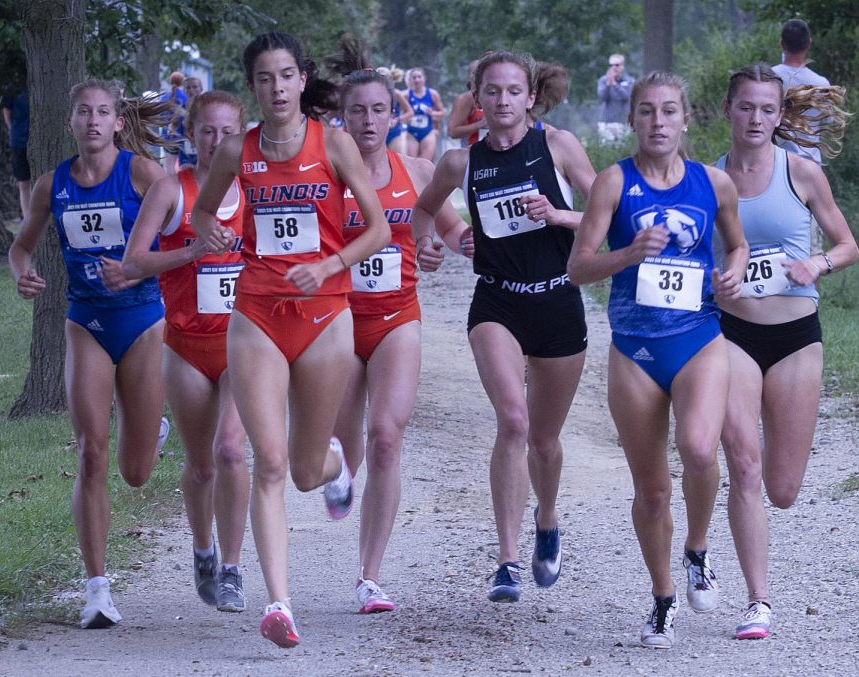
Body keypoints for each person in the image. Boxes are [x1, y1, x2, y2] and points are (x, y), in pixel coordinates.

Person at [191, 31, 390, 649]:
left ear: (302, 80)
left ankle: (333, 464)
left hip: (327, 314)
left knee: (304, 470)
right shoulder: (236, 151)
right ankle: (279, 603)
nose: (275, 88)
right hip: (256, 314)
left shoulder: (332, 143)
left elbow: (379, 229)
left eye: (285, 76)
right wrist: (211, 232)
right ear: (252, 87)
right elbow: (202, 212)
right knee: (269, 462)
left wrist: (329, 267)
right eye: (263, 79)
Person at [566, 72, 748, 649]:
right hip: (635, 347)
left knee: (699, 448)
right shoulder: (613, 183)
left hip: (697, 334)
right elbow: (578, 267)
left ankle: (697, 549)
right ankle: (663, 597)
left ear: (686, 119)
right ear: (632, 120)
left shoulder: (713, 183)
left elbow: (737, 244)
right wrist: (628, 253)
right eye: (647, 112)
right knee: (650, 492)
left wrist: (734, 272)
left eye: (670, 111)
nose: (659, 122)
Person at [412, 50, 596, 604]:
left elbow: (611, 212)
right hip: (497, 304)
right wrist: (434, 241)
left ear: (530, 97)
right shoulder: (457, 162)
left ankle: (548, 515)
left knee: (543, 439)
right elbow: (422, 214)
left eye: (513, 91)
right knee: (513, 422)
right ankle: (507, 560)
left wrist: (560, 216)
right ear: (477, 97)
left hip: (558, 301)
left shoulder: (557, 146)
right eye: (491, 92)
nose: (502, 101)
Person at [8, 79, 171, 629]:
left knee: (136, 471)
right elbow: (21, 244)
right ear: (71, 121)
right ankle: (97, 589)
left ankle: (153, 429)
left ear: (118, 122)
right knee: (90, 451)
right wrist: (22, 274)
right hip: (86, 321)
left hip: (144, 322)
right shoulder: (53, 183)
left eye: (104, 112)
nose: (94, 121)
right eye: (84, 112)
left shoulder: (142, 174)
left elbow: (175, 217)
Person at [325, 36, 473, 614]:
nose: (367, 120)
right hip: (335, 323)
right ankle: (335, 468)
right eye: (356, 110)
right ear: (343, 115)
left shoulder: (416, 169)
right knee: (342, 452)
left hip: (395, 318)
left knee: (386, 437)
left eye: (377, 110)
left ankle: (370, 577)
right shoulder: (327, 176)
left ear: (395, 114)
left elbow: (452, 230)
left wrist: (452, 245)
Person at [714, 64, 858, 641]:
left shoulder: (801, 173)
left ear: (780, 115)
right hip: (731, 334)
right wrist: (714, 279)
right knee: (743, 464)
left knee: (783, 488)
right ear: (727, 110)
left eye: (767, 109)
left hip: (796, 335)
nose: (756, 119)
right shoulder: (708, 178)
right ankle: (758, 601)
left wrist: (816, 263)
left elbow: (847, 245)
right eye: (746, 107)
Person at [121, 91, 251, 613]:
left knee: (231, 451)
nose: (218, 142)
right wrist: (192, 250)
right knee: (200, 466)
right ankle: (204, 550)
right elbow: (133, 263)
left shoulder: (256, 190)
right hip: (186, 346)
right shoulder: (173, 191)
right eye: (208, 132)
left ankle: (235, 569)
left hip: (244, 343)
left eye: (227, 133)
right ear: (192, 135)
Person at [773, 19, 830, 165]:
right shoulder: (822, 84)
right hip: (812, 166)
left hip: (778, 165)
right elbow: (827, 122)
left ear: (781, 44)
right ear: (809, 43)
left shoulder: (770, 78)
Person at [0, 86, 32, 219]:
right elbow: (7, 112)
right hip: (19, 142)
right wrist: (15, 131)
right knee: (24, 183)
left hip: (43, 141)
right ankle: (27, 221)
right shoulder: (12, 84)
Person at [404, 67, 445, 160]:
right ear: (410, 79)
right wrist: (406, 118)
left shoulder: (432, 94)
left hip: (427, 131)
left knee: (426, 162)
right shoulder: (406, 95)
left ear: (424, 78)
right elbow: (400, 114)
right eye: (414, 77)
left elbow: (442, 113)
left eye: (419, 77)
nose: (417, 80)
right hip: (411, 132)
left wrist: (432, 113)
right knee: (411, 162)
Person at [448, 60, 487, 146]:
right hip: (472, 152)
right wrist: (481, 124)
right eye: (476, 73)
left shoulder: (498, 97)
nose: (479, 77)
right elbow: (452, 132)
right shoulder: (466, 98)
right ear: (469, 78)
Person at [596, 53, 634, 143]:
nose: (614, 67)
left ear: (622, 66)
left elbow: (628, 97)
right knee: (606, 150)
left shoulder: (629, 81)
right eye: (611, 65)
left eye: (617, 65)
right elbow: (602, 97)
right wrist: (608, 85)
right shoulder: (603, 80)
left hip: (623, 123)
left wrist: (615, 85)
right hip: (606, 123)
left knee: (622, 150)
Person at [376, 66, 413, 154]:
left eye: (386, 77)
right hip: (377, 132)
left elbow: (410, 112)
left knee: (397, 159)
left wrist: (398, 119)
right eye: (380, 77)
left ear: (391, 79)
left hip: (394, 132)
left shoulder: (396, 93)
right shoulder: (372, 94)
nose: (383, 80)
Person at [161, 71, 189, 174]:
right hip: (184, 136)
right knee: (185, 165)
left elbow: (160, 117)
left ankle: (171, 187)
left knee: (168, 165)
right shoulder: (186, 98)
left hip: (168, 135)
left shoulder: (164, 98)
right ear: (183, 82)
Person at [178, 77, 204, 167]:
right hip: (186, 152)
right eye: (188, 87)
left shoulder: (206, 107)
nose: (191, 90)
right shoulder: (180, 108)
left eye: (195, 87)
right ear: (184, 90)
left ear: (201, 88)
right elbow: (173, 127)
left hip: (204, 149)